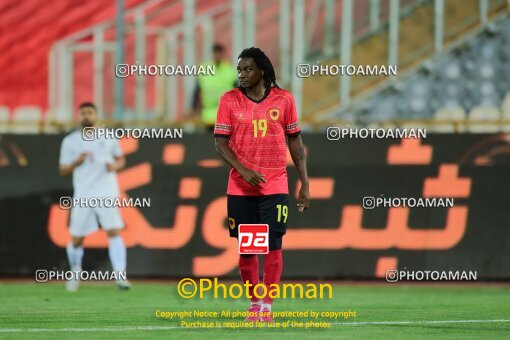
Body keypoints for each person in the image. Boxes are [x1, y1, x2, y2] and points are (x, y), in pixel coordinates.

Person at [214, 47, 310, 322]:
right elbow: (220, 144)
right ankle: (254, 303)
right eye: (239, 70)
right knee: (248, 248)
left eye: (248, 69)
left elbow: (295, 141)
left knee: (273, 244)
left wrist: (304, 182)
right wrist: (243, 171)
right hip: (241, 187)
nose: (242, 75)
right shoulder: (229, 100)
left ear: (262, 72)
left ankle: (267, 306)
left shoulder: (284, 99)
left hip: (275, 184)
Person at [59, 102, 130, 292]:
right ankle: (75, 272)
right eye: (83, 113)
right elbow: (63, 169)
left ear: (96, 115)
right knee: (76, 238)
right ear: (79, 116)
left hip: (106, 191)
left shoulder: (108, 137)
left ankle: (120, 276)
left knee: (113, 231)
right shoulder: (70, 141)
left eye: (89, 112)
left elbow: (121, 159)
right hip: (83, 193)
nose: (86, 116)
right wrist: (76, 162)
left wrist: (114, 166)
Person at [193, 43, 238, 130]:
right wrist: (194, 109)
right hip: (207, 115)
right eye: (215, 53)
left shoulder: (229, 70)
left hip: (225, 115)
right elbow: (197, 91)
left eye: (219, 53)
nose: (217, 55)